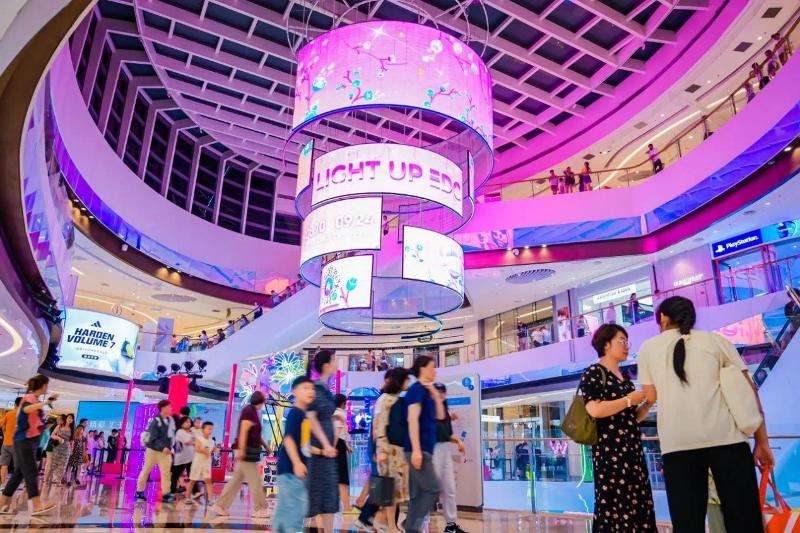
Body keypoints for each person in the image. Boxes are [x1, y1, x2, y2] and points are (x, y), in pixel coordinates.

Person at [638, 296, 773, 532]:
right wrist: (762, 441)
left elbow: (650, 397)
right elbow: (747, 391)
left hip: (677, 445)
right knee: (745, 520)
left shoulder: (648, 348)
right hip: (728, 440)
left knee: (687, 524)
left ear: (663, 318)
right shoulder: (716, 341)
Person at [579, 324, 656, 531]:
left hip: (633, 451)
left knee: (638, 501)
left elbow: (632, 419)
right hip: (610, 453)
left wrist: (647, 404)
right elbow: (594, 409)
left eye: (626, 341)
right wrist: (628, 400)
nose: (626, 345)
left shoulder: (626, 379)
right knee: (615, 503)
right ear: (606, 345)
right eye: (621, 340)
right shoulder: (594, 373)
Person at [0, 374, 57, 515]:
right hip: (24, 441)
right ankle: (37, 505)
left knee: (18, 474)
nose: (47, 388)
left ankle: (1, 504)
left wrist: (44, 425)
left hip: (29, 441)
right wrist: (46, 402)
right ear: (43, 386)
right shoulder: (29, 398)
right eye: (47, 385)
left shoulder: (35, 399)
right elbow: (26, 409)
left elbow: (36, 423)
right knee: (31, 472)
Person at [211, 391, 270, 517]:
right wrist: (242, 449)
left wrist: (266, 446)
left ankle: (220, 505)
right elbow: (243, 430)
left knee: (236, 480)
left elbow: (255, 434)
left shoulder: (253, 412)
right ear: (260, 400)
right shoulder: (249, 411)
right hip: (246, 451)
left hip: (247, 450)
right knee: (255, 479)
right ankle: (260, 508)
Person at [405, 356, 444, 533]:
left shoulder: (427, 391)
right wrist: (416, 450)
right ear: (422, 368)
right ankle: (411, 526)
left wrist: (436, 395)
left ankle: (411, 527)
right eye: (432, 367)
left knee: (418, 493)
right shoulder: (416, 390)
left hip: (425, 449)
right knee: (432, 490)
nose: (435, 371)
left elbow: (440, 416)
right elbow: (412, 419)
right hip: (418, 449)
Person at [272, 376, 315, 533]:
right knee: (296, 507)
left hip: (295, 470)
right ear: (295, 392)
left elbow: (305, 444)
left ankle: (280, 528)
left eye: (312, 388)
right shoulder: (295, 413)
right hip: (290, 469)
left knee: (289, 507)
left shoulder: (305, 415)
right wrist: (297, 462)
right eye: (305, 388)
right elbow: (289, 439)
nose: (310, 391)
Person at [305, 351, 339, 533]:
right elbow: (311, 418)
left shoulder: (325, 388)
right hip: (318, 450)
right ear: (326, 365)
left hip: (327, 452)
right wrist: (325, 444)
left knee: (329, 495)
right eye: (333, 360)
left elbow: (325, 417)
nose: (336, 363)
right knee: (316, 493)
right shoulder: (316, 389)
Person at [374, 367, 410, 533]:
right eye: (406, 379)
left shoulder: (398, 399)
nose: (408, 382)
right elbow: (380, 425)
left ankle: (385, 523)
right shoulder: (385, 399)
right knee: (390, 490)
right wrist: (381, 449)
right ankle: (387, 525)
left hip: (398, 451)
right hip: (388, 450)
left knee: (395, 491)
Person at [432, 383, 467, 533]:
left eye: (443, 392)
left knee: (449, 489)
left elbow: (446, 435)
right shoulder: (429, 411)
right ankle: (415, 522)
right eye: (437, 392)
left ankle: (451, 525)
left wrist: (458, 441)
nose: (441, 395)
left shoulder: (445, 412)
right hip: (432, 451)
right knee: (429, 490)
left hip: (444, 451)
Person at [135, 399, 177, 503]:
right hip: (153, 451)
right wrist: (163, 447)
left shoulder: (170, 421)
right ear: (163, 408)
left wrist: (171, 447)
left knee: (166, 473)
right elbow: (151, 439)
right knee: (146, 470)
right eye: (169, 406)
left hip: (165, 452)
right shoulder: (155, 421)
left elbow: (171, 437)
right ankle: (139, 491)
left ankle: (166, 494)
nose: (171, 408)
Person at [185, 421, 215, 505]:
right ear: (203, 430)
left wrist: (215, 450)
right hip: (197, 463)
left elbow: (211, 449)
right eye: (209, 429)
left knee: (208, 480)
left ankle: (210, 499)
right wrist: (205, 452)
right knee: (193, 480)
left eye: (211, 429)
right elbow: (197, 449)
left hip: (207, 463)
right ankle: (187, 497)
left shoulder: (212, 441)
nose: (210, 431)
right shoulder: (199, 438)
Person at [332, 393, 352, 512]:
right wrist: (333, 448)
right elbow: (337, 433)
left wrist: (346, 446)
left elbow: (340, 434)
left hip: (339, 445)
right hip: (337, 447)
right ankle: (347, 508)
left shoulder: (335, 413)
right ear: (343, 403)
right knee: (342, 480)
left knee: (338, 479)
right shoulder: (339, 414)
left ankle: (346, 507)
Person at [43, 413, 72, 486]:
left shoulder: (72, 429)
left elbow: (72, 440)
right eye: (69, 417)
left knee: (63, 465)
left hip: (66, 449)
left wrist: (71, 449)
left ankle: (58, 481)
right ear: (66, 419)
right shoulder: (59, 426)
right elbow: (52, 435)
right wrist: (59, 438)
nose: (70, 419)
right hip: (56, 447)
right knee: (52, 464)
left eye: (71, 418)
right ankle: (47, 479)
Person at [171, 416, 194, 494]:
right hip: (180, 458)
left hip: (188, 458)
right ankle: (173, 490)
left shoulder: (190, 432)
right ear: (182, 424)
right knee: (175, 475)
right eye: (186, 422)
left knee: (191, 475)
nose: (189, 423)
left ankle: (195, 491)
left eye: (189, 422)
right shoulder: (180, 432)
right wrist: (195, 442)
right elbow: (187, 442)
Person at [0, 398, 21, 486]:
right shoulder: (24, 416)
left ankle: (3, 485)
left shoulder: (9, 414)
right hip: (17, 444)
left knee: (4, 465)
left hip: (6, 443)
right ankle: (13, 486)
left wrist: (5, 433)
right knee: (17, 466)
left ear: (15, 405)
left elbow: (1, 425)